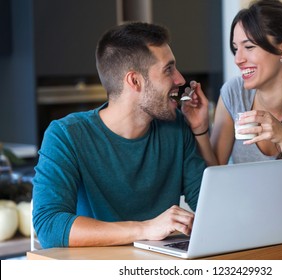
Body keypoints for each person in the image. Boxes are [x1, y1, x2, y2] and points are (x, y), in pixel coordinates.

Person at [32, 22, 207, 248]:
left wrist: (200, 129)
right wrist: (145, 228)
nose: (180, 79)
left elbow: (210, 206)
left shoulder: (176, 128)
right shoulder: (66, 135)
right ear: (134, 81)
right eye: (168, 69)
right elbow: (49, 226)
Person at [182, 0, 282, 224]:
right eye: (236, 48)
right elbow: (215, 173)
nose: (238, 59)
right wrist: (200, 129)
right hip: (245, 225)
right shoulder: (234, 94)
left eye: (249, 47)